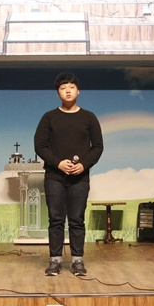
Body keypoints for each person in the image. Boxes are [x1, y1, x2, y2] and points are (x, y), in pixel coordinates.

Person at [34, 72, 103, 276]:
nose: (68, 91)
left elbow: (97, 147)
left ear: (78, 91)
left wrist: (84, 165)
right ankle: (54, 260)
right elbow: (40, 145)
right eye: (63, 88)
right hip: (54, 177)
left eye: (71, 87)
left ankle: (77, 260)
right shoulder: (49, 117)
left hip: (80, 178)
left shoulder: (89, 117)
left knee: (76, 220)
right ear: (58, 94)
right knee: (56, 219)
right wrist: (57, 163)